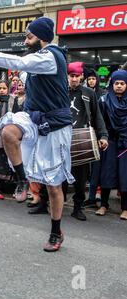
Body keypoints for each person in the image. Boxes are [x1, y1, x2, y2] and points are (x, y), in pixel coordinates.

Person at [0, 17, 75, 252]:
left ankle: (55, 231)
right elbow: (24, 72)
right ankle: (22, 180)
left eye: (29, 36)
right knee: (8, 133)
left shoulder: (51, 56)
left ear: (41, 37)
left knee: (53, 186)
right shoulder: (37, 65)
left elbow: (20, 63)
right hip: (33, 117)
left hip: (55, 124)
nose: (25, 39)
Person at [65, 62, 108, 221]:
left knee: (80, 178)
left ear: (81, 76)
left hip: (82, 141)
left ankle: (77, 208)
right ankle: (48, 202)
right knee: (58, 175)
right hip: (62, 138)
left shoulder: (89, 93)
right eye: (71, 76)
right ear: (68, 76)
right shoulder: (61, 91)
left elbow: (97, 116)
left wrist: (103, 136)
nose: (74, 79)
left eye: (77, 76)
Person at [96, 70, 127, 220]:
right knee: (107, 172)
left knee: (125, 174)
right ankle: (103, 204)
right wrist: (102, 137)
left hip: (125, 142)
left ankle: (125, 208)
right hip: (109, 141)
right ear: (112, 84)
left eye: (122, 83)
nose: (119, 86)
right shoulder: (104, 100)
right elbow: (99, 121)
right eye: (117, 83)